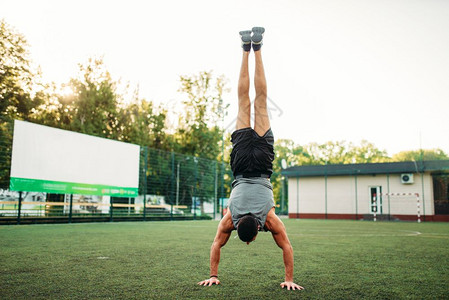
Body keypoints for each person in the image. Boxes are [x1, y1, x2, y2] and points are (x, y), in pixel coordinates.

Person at [197, 27, 304, 291]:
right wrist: (213, 273)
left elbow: (287, 247)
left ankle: (258, 46)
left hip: (262, 165)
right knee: (245, 102)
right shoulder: (230, 218)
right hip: (242, 164)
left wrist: (289, 279)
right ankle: (247, 48)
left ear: (256, 232)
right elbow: (215, 244)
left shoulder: (269, 219)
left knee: (260, 101)